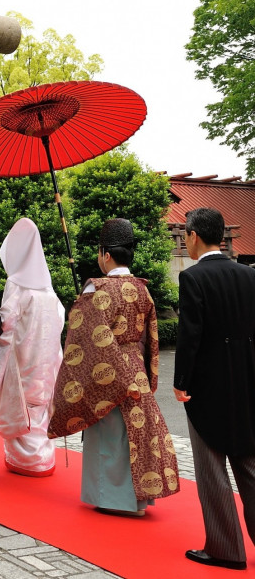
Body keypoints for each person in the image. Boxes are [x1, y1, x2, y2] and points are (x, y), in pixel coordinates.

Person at [48, 218, 179, 516]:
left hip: (107, 369)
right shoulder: (142, 289)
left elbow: (85, 340)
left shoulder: (98, 289)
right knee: (133, 434)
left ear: (106, 254)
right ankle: (137, 500)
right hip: (136, 369)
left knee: (110, 433)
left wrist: (79, 308)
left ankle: (112, 499)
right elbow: (151, 338)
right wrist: (143, 375)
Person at [174, 207, 255, 571]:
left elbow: (191, 336)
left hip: (208, 386)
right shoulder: (248, 275)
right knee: (249, 463)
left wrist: (181, 383)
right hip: (247, 380)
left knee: (211, 467)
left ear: (192, 235)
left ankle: (226, 549)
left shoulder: (193, 278)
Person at [0, 218, 65, 477]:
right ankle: (43, 459)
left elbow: (7, 323)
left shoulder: (17, 284)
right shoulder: (48, 287)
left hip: (22, 357)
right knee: (41, 402)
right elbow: (59, 320)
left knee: (21, 403)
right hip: (46, 358)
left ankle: (22, 460)